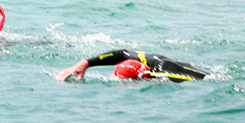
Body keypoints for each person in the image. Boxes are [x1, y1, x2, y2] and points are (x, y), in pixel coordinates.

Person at [56, 49, 207, 82]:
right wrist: (86, 63)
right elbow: (122, 53)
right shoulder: (150, 61)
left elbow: (203, 80)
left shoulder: (164, 75)